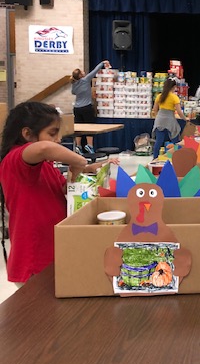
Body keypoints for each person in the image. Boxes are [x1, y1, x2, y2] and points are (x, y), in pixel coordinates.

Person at [0, 102, 116, 284]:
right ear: (27, 134)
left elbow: (62, 189)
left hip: (53, 252)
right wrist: (80, 160)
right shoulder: (15, 159)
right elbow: (44, 148)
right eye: (52, 133)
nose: (59, 139)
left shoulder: (45, 165)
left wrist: (82, 171)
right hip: (34, 261)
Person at [71, 60, 110, 153]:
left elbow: (73, 92)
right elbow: (95, 70)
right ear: (81, 75)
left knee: (79, 127)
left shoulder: (74, 84)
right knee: (90, 126)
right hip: (86, 107)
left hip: (77, 108)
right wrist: (102, 63)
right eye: (82, 71)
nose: (84, 71)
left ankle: (78, 146)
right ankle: (90, 145)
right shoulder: (85, 80)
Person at [151, 78, 189, 158]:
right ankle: (177, 157)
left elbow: (154, 109)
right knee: (176, 140)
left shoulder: (159, 96)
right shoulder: (174, 97)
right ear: (174, 87)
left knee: (158, 142)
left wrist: (159, 116)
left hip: (159, 119)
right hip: (170, 119)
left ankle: (154, 158)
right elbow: (179, 112)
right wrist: (185, 119)